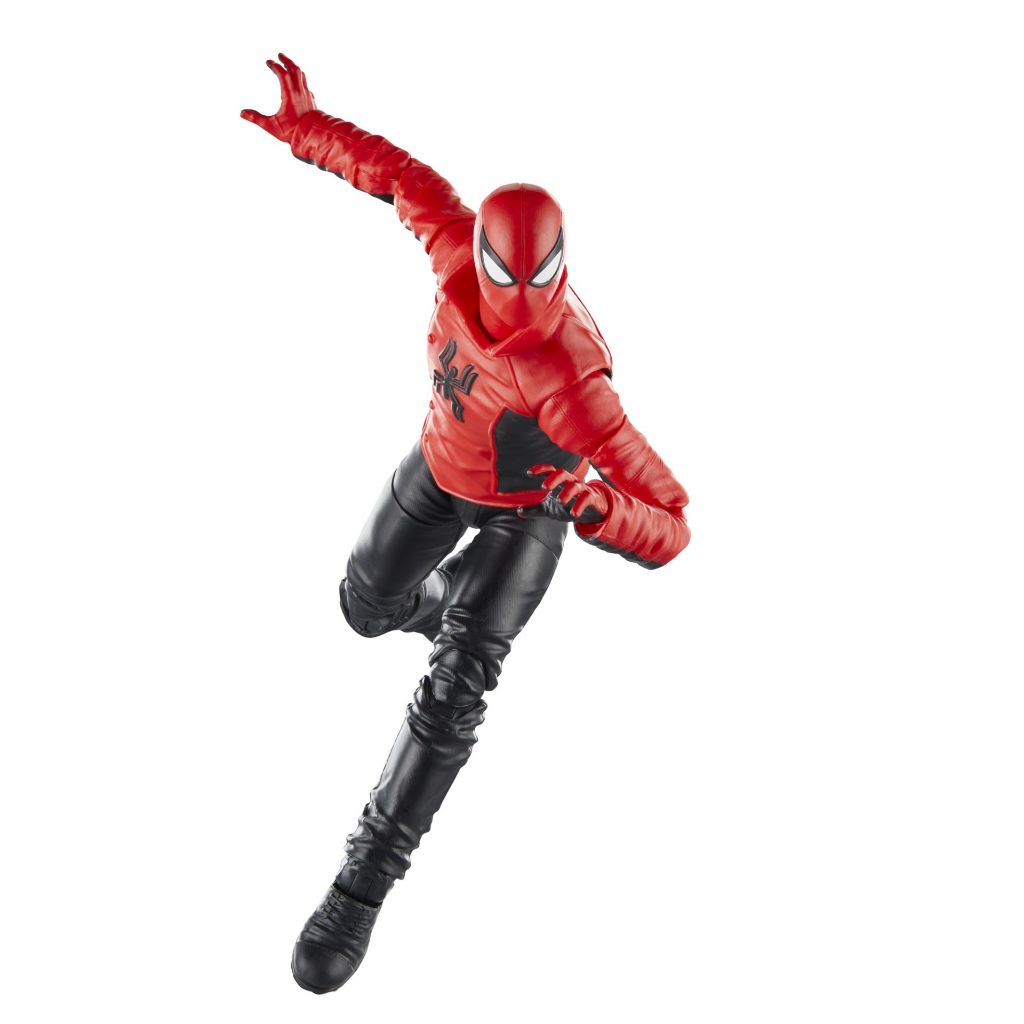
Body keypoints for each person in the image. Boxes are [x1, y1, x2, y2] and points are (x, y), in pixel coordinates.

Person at [241, 54, 692, 994]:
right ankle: (442, 601)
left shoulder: (573, 382)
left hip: (530, 516)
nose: (517, 310)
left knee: (453, 695)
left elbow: (673, 520)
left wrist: (600, 510)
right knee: (362, 607)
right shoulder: (452, 248)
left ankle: (358, 889)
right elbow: (397, 176)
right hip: (441, 469)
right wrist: (306, 130)